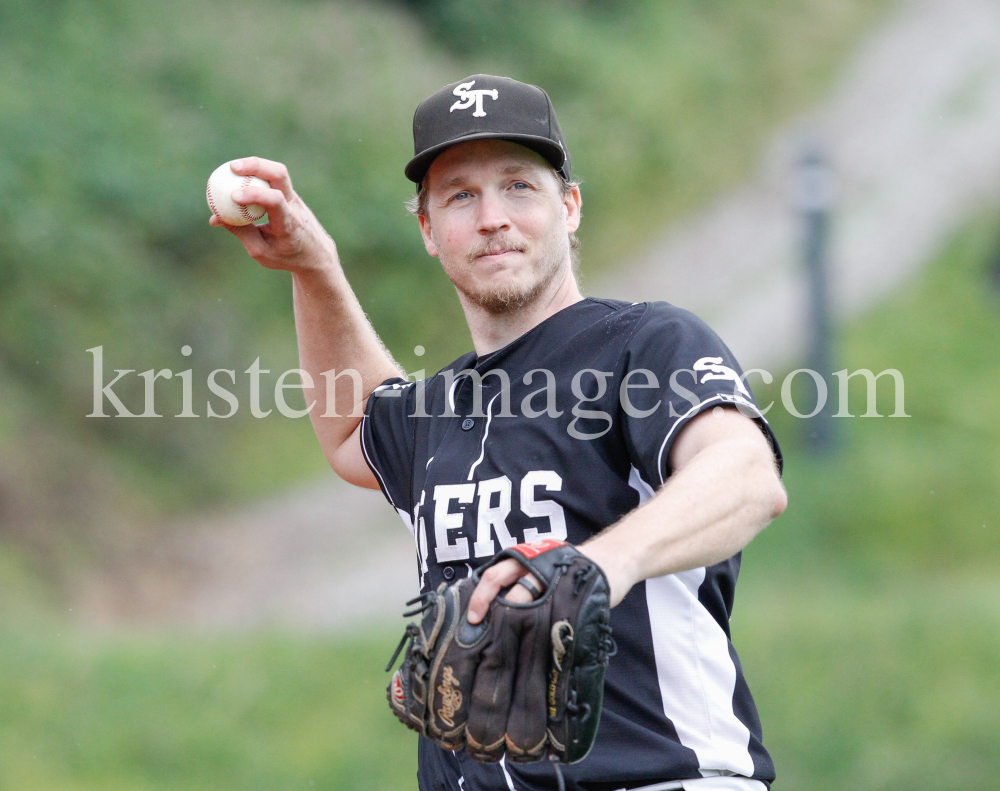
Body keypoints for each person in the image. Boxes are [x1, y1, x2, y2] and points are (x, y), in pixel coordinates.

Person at [212, 74, 787, 791]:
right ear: (427, 229)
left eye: (519, 185)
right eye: (460, 195)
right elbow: (354, 423)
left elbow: (745, 473)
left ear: (569, 207)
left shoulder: (642, 345)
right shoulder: (438, 414)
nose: (492, 217)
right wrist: (311, 264)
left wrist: (598, 567)